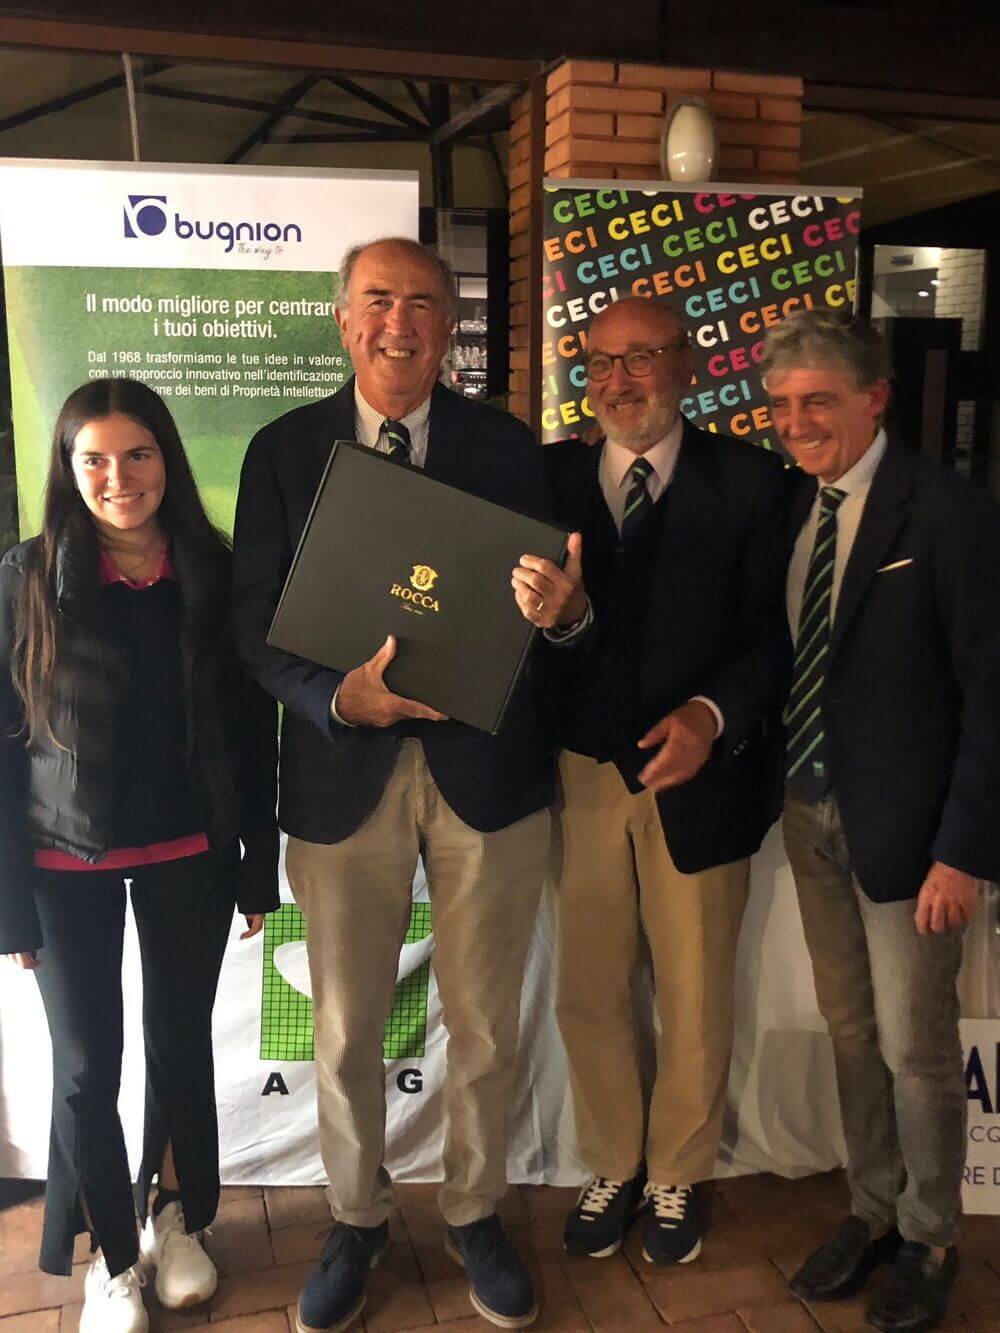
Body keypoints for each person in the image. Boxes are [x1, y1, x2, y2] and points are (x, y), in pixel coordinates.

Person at [232, 237, 563, 1333]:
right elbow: (253, 627)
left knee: (486, 1023)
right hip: (342, 772)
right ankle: (356, 1215)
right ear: (343, 318)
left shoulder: (507, 447)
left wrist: (558, 610)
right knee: (342, 1030)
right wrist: (338, 699)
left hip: (486, 775)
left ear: (449, 326)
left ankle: (474, 1209)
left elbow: (546, 617)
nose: (399, 322)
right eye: (377, 299)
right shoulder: (283, 451)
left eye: (423, 302)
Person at [0, 378, 279, 1333]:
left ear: (168, 458)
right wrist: (7, 898)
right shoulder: (27, 576)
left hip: (192, 845)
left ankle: (177, 1214)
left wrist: (257, 861)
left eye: (138, 454)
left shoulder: (215, 570)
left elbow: (252, 730)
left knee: (178, 1040)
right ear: (68, 469)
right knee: (86, 1064)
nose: (118, 477)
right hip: (61, 860)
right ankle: (112, 1259)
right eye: (95, 460)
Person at [520, 296, 791, 1267]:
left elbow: (775, 636)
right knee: (589, 988)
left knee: (695, 992)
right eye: (600, 361)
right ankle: (614, 1161)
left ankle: (677, 1169)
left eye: (640, 358)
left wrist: (712, 716)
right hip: (583, 771)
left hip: (702, 776)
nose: (618, 380)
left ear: (687, 363)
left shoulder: (753, 482)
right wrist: (560, 623)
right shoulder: (545, 479)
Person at [762, 309, 1000, 1332]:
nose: (796, 423)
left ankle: (931, 1235)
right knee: (852, 1033)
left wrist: (963, 851)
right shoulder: (794, 506)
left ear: (874, 399)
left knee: (917, 1047)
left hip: (912, 838)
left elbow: (992, 694)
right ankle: (871, 1208)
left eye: (818, 401)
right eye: (780, 405)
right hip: (809, 811)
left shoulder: (948, 512)